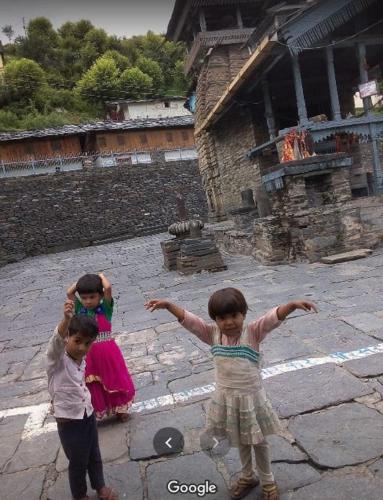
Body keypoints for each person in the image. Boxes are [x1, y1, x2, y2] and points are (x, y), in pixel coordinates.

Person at [145, 287, 317, 500]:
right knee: (241, 440)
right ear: (215, 320)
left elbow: (272, 319)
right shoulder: (212, 335)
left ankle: (268, 481)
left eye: (234, 316)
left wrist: (291, 306)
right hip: (227, 400)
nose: (228, 322)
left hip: (251, 401)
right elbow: (192, 322)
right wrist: (169, 306)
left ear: (244, 314)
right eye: (222, 318)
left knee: (259, 443)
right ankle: (247, 476)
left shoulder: (253, 332)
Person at [46, 299, 118, 500]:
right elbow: (55, 343)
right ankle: (79, 495)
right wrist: (65, 320)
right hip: (69, 421)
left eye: (87, 343)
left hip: (87, 413)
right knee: (78, 461)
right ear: (68, 337)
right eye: (77, 341)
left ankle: (100, 486)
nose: (81, 347)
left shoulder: (81, 359)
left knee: (94, 453)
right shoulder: (56, 361)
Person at [67, 273, 135, 421]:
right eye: (84, 298)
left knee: (113, 378)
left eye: (92, 297)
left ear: (100, 295)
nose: (88, 301)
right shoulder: (79, 309)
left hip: (107, 351)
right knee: (92, 383)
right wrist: (83, 280)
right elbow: (70, 292)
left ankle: (121, 409)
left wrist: (100, 276)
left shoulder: (106, 308)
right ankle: (97, 410)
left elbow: (108, 287)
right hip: (88, 353)